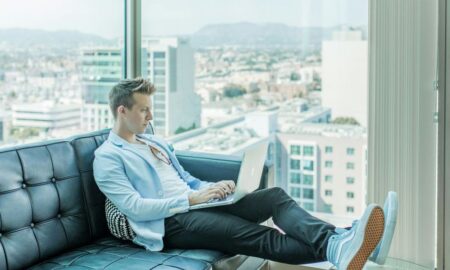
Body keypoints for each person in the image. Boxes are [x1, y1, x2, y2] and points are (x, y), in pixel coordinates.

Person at [93, 78, 398, 269]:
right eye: (143, 109)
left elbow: (186, 179)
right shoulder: (107, 157)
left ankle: (342, 240)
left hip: (195, 203)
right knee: (256, 235)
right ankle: (341, 246)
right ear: (122, 110)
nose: (150, 115)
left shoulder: (153, 141)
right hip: (169, 224)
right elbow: (134, 207)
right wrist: (192, 199)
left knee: (274, 198)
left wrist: (215, 188)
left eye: (150, 108)